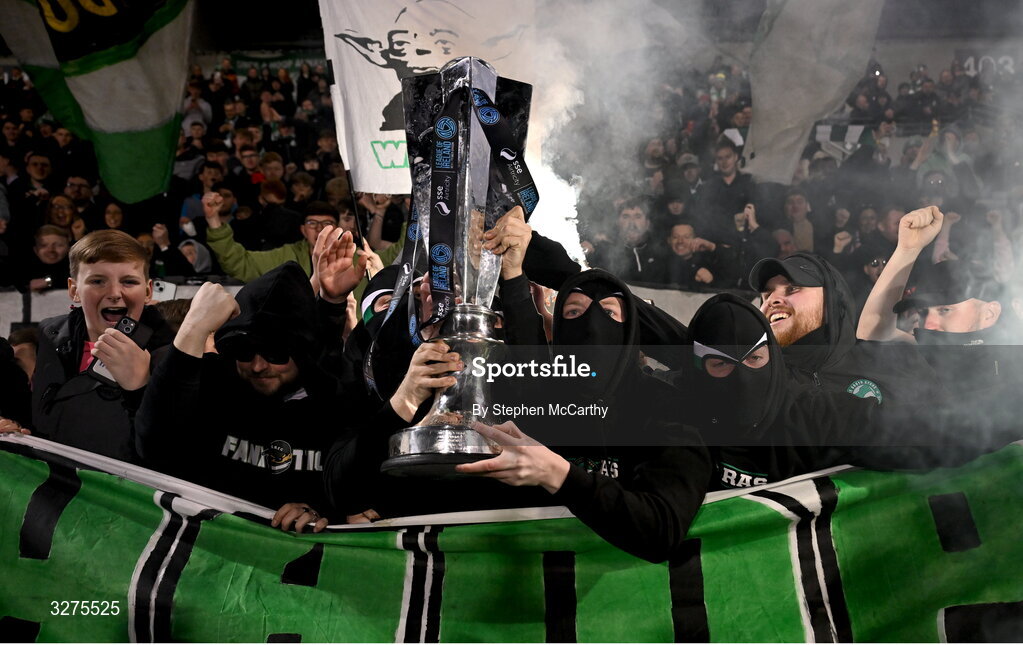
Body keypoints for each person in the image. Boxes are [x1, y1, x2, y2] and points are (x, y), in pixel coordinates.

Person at [137, 237, 366, 533]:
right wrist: (193, 327)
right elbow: (153, 447)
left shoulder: (338, 402)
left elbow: (360, 489)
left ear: (301, 353)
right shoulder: (217, 387)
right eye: (244, 352)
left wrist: (319, 511)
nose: (258, 366)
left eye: (275, 353)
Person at [23, 231, 173, 460]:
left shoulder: (169, 352)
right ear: (74, 290)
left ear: (148, 291)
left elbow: (171, 450)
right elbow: (43, 417)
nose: (114, 293)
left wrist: (141, 388)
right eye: (97, 281)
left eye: (129, 281)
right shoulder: (50, 335)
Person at [750, 250, 935, 406]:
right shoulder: (758, 380)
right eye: (765, 296)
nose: (771, 301)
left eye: (793, 289)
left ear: (832, 300)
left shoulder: (892, 361)